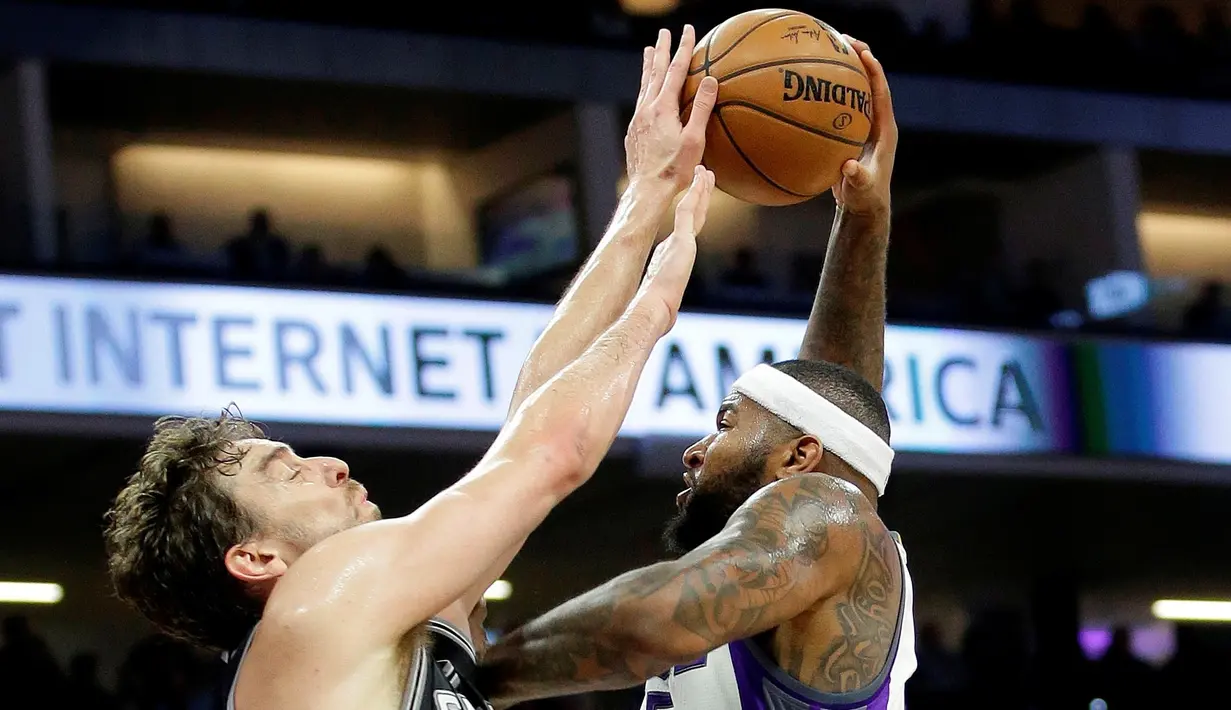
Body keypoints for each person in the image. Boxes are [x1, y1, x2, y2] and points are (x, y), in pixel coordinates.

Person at [102, 26, 722, 710]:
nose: (330, 463)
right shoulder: (315, 603)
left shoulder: (379, 622)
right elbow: (552, 453)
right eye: (285, 472)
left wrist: (643, 199)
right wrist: (654, 304)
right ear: (255, 559)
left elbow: (525, 428)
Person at [478, 36, 916, 710]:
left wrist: (467, 676)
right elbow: (832, 413)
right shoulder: (822, 528)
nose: (695, 450)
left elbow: (645, 623)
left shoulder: (824, 515)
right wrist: (862, 217)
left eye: (724, 424)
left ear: (798, 459)